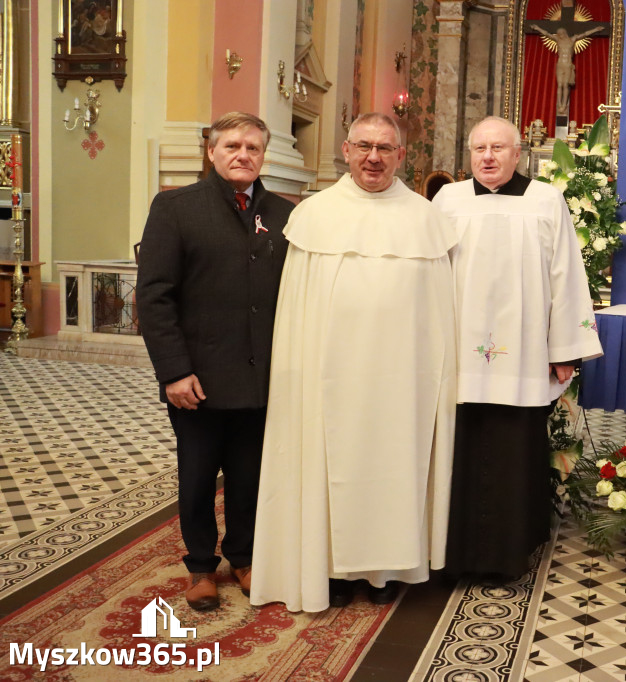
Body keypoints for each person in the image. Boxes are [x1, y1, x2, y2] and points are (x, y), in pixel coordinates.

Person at [249, 113, 457, 612]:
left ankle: (385, 569)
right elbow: (296, 312)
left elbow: (440, 315)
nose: (374, 157)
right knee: (325, 461)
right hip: (329, 378)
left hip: (402, 382)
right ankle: (330, 570)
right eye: (364, 146)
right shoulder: (316, 215)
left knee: (395, 464)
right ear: (346, 149)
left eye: (385, 148)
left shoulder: (426, 219)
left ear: (401, 156)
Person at [432, 116, 602, 580]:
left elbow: (566, 275)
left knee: (513, 450)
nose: (487, 157)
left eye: (497, 148)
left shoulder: (545, 201)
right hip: (456, 356)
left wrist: (565, 347)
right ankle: (452, 553)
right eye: (479, 149)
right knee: (458, 449)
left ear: (518, 151)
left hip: (524, 354)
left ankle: (509, 553)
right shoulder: (447, 201)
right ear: (469, 154)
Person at [136, 112, 294, 612]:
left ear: (263, 155)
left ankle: (243, 557)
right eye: (232, 146)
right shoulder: (175, 207)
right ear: (211, 151)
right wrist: (173, 372)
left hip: (260, 378)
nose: (242, 155)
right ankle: (201, 567)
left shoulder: (285, 213)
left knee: (250, 475)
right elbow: (155, 296)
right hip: (197, 378)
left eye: (252, 147)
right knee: (198, 476)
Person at [530, 24, 604, 115]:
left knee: (565, 85)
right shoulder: (558, 40)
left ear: (564, 33)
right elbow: (547, 34)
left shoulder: (572, 39)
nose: (559, 35)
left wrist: (596, 29)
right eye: (558, 34)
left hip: (568, 64)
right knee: (559, 85)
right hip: (560, 64)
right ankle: (559, 104)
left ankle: (564, 105)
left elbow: (585, 34)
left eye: (560, 33)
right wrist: (538, 28)